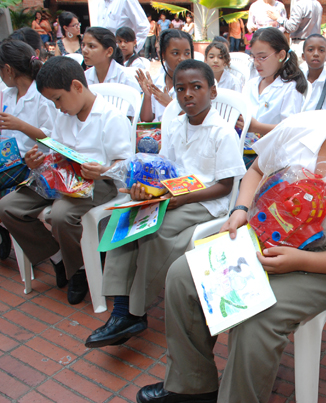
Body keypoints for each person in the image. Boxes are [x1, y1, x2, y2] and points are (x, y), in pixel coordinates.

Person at [135, 72, 326, 403]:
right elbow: (256, 169)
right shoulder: (300, 129)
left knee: (259, 318)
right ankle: (193, 387)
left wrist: (301, 260)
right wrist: (241, 209)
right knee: (184, 276)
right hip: (266, 235)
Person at [85, 59, 246, 348]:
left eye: (196, 87)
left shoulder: (222, 132)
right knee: (126, 219)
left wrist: (181, 198)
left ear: (212, 92)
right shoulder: (174, 125)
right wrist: (147, 189)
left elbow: (224, 186)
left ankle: (135, 311)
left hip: (206, 200)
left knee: (156, 230)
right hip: (173, 194)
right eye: (180, 88)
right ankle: (120, 310)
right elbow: (165, 168)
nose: (188, 94)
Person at [0, 56, 132, 304]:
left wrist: (102, 170)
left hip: (97, 182)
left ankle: (79, 270)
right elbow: (56, 150)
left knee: (60, 215)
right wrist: (36, 161)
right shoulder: (64, 115)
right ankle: (59, 258)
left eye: (58, 99)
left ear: (77, 86)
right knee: (7, 207)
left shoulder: (111, 117)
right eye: (52, 102)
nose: (57, 107)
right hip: (62, 176)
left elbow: (124, 165)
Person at [0, 40, 57, 258]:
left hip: (34, 163)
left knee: (6, 204)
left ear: (8, 69)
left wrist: (20, 125)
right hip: (10, 160)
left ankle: (54, 255)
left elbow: (52, 138)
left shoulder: (42, 95)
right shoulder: (8, 93)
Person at [238, 27, 306, 167]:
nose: (256, 63)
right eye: (253, 57)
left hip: (274, 155)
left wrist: (257, 127)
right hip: (246, 148)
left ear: (281, 55)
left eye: (262, 57)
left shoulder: (290, 88)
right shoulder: (251, 85)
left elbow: (290, 130)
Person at [137, 29, 193, 122]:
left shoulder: (197, 84)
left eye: (187, 53)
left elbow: (197, 119)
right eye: (175, 53)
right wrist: (147, 96)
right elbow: (146, 120)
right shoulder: (155, 82)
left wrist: (169, 104)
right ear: (163, 55)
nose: (182, 58)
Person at [82, 27, 141, 93]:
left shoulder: (126, 78)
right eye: (83, 45)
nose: (84, 50)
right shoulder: (84, 77)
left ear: (109, 52)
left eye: (92, 46)